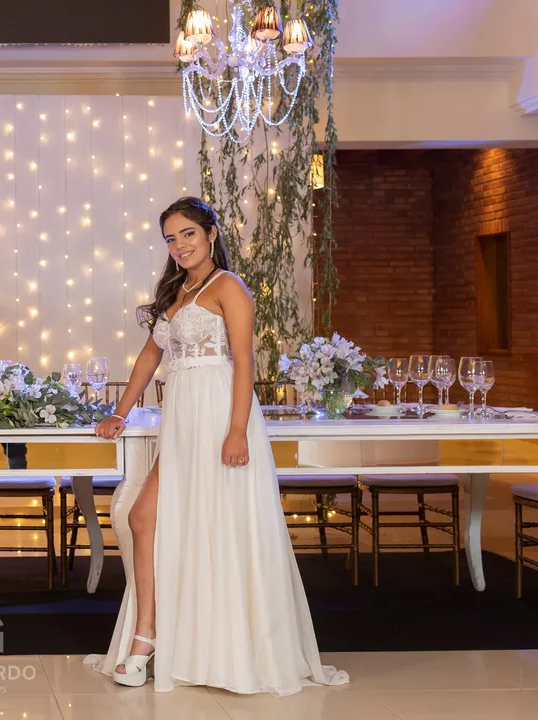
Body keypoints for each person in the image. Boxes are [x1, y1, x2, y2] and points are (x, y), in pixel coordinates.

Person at [84, 197, 348, 696]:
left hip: (220, 415)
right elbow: (149, 357)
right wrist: (120, 412)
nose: (179, 245)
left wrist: (237, 430)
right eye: (170, 238)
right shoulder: (175, 292)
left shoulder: (230, 287)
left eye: (188, 233)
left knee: (218, 526)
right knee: (143, 518)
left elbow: (244, 362)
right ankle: (148, 635)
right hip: (182, 421)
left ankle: (213, 648)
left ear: (211, 233)